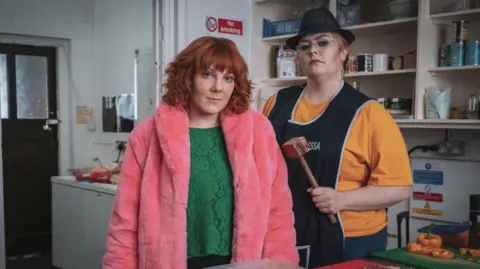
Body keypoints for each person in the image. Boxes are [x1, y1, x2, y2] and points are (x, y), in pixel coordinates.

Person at [102, 36, 299, 269]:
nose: (218, 87)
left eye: (228, 78)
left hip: (245, 263)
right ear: (188, 78)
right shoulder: (146, 135)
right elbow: (125, 222)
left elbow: (278, 212)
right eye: (207, 74)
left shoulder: (258, 131)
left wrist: (281, 264)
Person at [262, 7, 413, 268]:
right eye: (304, 45)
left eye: (323, 42)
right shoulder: (276, 104)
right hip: (285, 232)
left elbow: (400, 188)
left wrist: (342, 199)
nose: (313, 50)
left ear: (343, 52)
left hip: (350, 240)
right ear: (297, 56)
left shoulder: (369, 113)